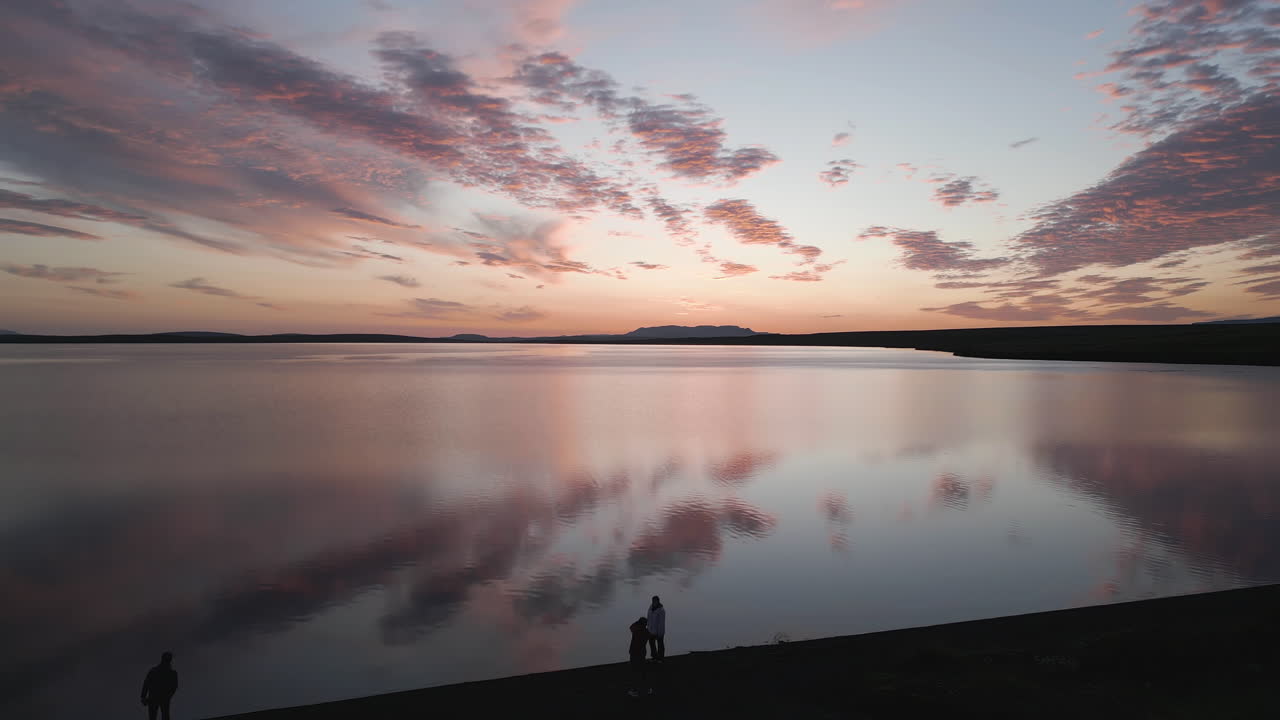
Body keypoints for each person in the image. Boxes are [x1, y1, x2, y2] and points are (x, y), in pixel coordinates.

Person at [140, 651, 179, 720]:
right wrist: (168, 696)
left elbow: (146, 683)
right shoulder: (172, 673)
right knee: (165, 716)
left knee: (154, 717)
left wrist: (143, 696)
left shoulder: (153, 671)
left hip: (154, 698)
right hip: (163, 698)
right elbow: (174, 687)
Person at [627, 617, 652, 697]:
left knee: (634, 672)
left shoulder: (636, 631)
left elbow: (631, 627)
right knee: (642, 672)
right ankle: (647, 688)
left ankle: (634, 690)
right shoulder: (646, 632)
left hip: (634, 653)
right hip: (641, 653)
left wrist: (637, 622)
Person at [646, 595, 666, 662]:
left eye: (655, 601)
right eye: (653, 601)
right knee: (652, 644)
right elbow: (648, 619)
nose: (654, 602)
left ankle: (661, 658)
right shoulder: (650, 608)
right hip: (651, 631)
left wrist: (660, 633)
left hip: (658, 631)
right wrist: (648, 629)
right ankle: (654, 657)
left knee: (660, 645)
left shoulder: (661, 610)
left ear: (658, 601)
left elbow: (661, 623)